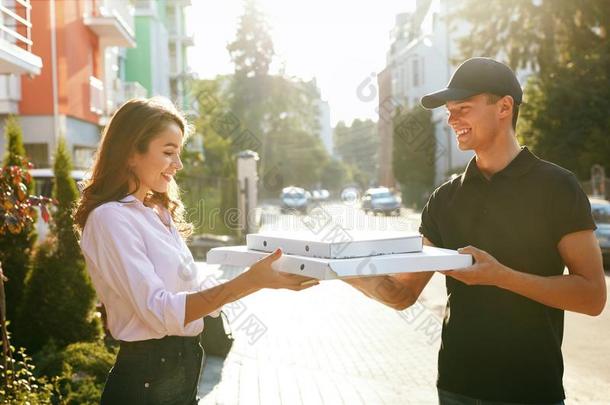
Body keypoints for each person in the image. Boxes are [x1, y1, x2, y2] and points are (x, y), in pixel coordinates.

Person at [344, 57, 606, 404]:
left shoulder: (558, 187)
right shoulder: (444, 199)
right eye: (450, 111)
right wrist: (340, 269)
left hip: (530, 391)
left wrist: (501, 276)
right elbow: (402, 294)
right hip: (456, 387)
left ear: (504, 107)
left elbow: (592, 296)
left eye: (463, 108)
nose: (452, 120)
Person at [74, 97, 318, 404]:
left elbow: (198, 294)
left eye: (179, 152)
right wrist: (252, 281)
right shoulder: (110, 218)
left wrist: (267, 276)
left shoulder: (156, 213)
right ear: (131, 152)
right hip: (144, 387)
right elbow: (161, 312)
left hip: (180, 383)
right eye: (168, 152)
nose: (178, 165)